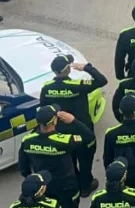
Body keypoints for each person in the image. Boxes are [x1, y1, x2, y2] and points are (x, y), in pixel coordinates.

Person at [41, 54, 108, 196]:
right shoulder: (78, 86)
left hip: (61, 133)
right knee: (85, 161)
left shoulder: (46, 88)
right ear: (68, 70)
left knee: (69, 162)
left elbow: (44, 109)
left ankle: (76, 183)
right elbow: (102, 80)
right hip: (82, 130)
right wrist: (86, 68)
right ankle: (86, 186)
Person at [19, 106, 85, 208]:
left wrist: (33, 182)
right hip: (67, 187)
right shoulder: (66, 140)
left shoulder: (27, 141)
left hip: (43, 186)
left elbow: (24, 168)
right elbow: (87, 136)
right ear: (55, 121)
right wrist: (73, 121)